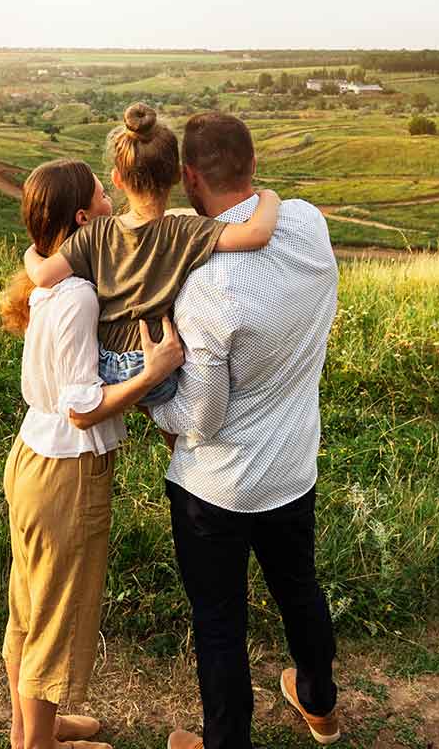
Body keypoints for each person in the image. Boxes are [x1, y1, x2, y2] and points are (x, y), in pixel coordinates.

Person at [151, 113, 344, 749]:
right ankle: (318, 704)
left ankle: (226, 743)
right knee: (299, 589)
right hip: (293, 463)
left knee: (219, 622)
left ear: (188, 177)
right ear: (254, 164)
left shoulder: (205, 284)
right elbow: (276, 204)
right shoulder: (308, 222)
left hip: (219, 486)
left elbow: (200, 419)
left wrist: (157, 407)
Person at [0, 158, 187, 749]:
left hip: (31, 456)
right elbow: (83, 405)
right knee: (54, 621)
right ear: (84, 218)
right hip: (69, 472)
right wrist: (152, 373)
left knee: (28, 607)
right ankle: (39, 746)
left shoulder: (49, 280)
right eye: (105, 197)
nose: (114, 205)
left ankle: (31, 728)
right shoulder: (78, 294)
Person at [22, 103, 283, 430]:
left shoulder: (96, 232)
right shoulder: (182, 231)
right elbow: (257, 234)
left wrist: (30, 251)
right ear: (177, 175)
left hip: (104, 366)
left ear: (117, 178)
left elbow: (43, 276)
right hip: (153, 366)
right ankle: (184, 449)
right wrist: (269, 196)